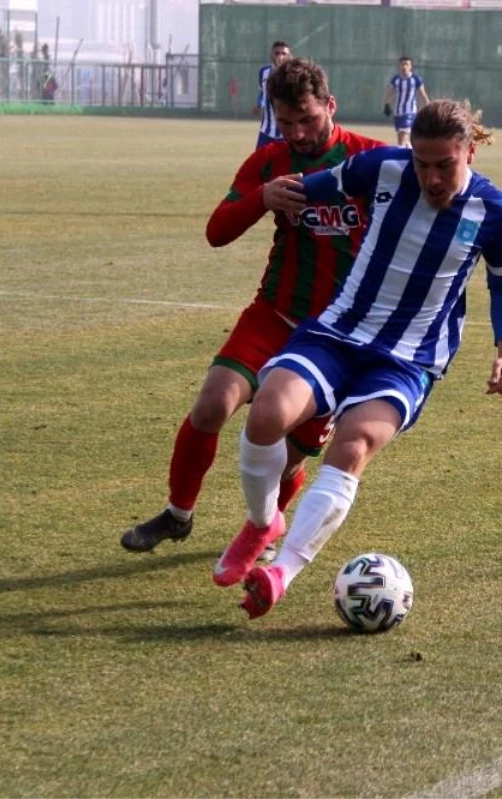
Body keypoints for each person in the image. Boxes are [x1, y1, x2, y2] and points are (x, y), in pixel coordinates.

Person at [217, 99, 502, 620]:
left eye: (444, 164)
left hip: (408, 359)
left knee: (353, 443)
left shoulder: (496, 213)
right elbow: (313, 188)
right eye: (421, 163)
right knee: (267, 414)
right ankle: (263, 520)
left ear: (469, 150)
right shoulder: (381, 167)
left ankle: (279, 572)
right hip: (339, 330)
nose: (430, 177)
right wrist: (269, 195)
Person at [120, 58, 385, 560]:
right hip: (275, 313)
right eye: (286, 123)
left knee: (286, 457)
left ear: (330, 106)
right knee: (211, 405)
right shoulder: (269, 162)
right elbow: (217, 232)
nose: (298, 133)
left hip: (336, 338)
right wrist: (262, 199)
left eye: (307, 119)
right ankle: (178, 515)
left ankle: (262, 528)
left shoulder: (369, 159)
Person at [383, 56, 430, 148]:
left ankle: (403, 155)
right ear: (399, 66)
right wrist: (386, 104)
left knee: (404, 134)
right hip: (398, 112)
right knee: (400, 137)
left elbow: (423, 94)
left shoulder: (415, 79)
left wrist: (428, 105)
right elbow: (389, 92)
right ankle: (409, 149)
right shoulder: (396, 79)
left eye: (407, 64)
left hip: (409, 111)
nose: (404, 66)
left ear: (410, 66)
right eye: (402, 64)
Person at [254, 41, 292, 150]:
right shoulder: (263, 72)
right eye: (277, 53)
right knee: (259, 164)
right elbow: (262, 92)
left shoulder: (293, 74)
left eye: (284, 53)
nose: (280, 56)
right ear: (272, 55)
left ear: (289, 56)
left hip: (286, 132)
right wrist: (259, 104)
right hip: (266, 130)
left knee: (287, 165)